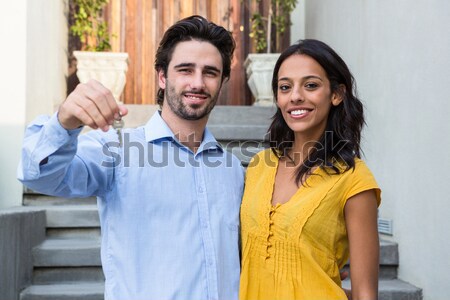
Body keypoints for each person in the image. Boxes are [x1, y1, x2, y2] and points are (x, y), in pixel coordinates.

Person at [18, 15, 243, 300]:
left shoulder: (232, 169)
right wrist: (64, 121)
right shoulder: (116, 150)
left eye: (210, 72)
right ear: (163, 77)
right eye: (185, 69)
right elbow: (38, 175)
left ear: (222, 81)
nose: (197, 83)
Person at [239, 39, 381, 300]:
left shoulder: (354, 179)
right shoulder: (259, 166)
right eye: (285, 87)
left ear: (337, 94)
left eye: (311, 85)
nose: (295, 96)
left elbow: (365, 294)